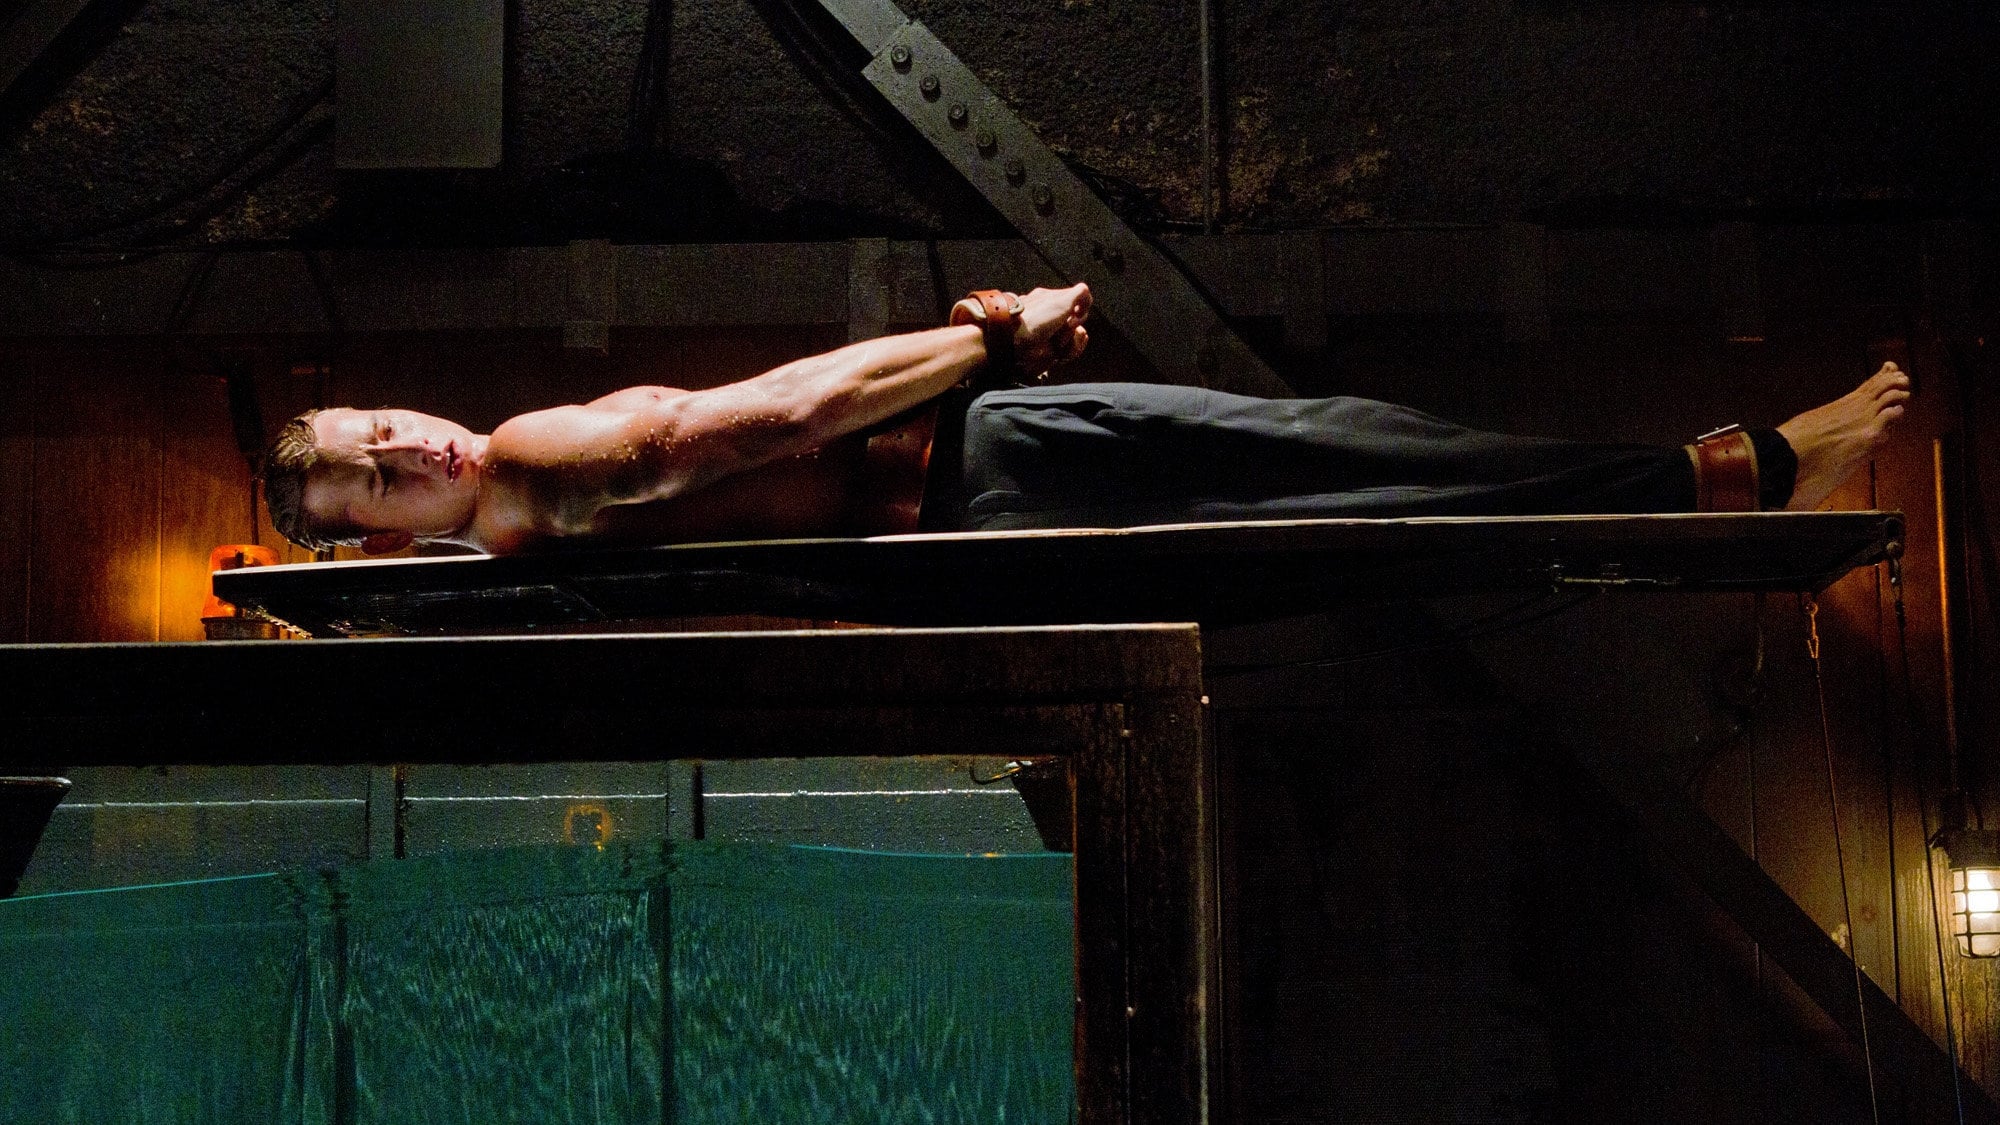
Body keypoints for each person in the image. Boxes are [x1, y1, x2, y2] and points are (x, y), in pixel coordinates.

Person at [261, 283, 1911, 556]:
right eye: (374, 483)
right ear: (378, 536)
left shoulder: (507, 527)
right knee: (1351, 454)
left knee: (1357, 487)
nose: (412, 450)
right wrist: (985, 336)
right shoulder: (532, 469)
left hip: (973, 511)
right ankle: (1731, 470)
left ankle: (1721, 476)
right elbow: (769, 418)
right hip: (986, 480)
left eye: (381, 426)